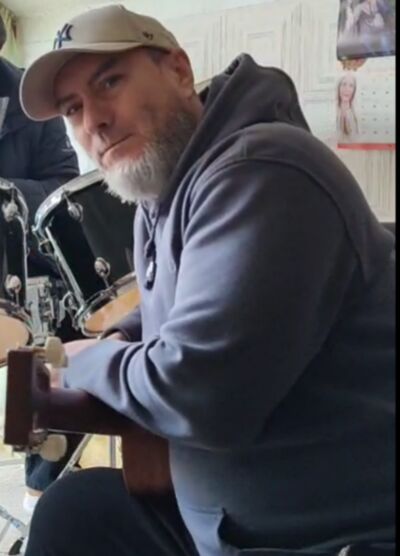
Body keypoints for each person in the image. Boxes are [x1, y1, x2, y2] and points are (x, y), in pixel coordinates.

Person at [19, 4, 395, 556]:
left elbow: (198, 395)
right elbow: (184, 296)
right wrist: (124, 334)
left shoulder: (263, 171)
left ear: (177, 69)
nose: (93, 121)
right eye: (73, 108)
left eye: (110, 82)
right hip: (225, 523)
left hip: (321, 538)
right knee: (72, 512)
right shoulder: (166, 190)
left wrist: (85, 359)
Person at [0, 14, 84, 512]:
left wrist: (4, 194)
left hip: (26, 270)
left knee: (66, 335)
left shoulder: (30, 100)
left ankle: (41, 494)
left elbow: (63, 186)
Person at [336, 72, 359, 142]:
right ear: (339, 87)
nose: (347, 89)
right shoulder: (334, 110)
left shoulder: (355, 112)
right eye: (344, 84)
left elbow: (354, 137)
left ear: (354, 90)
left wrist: (347, 112)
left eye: (351, 86)